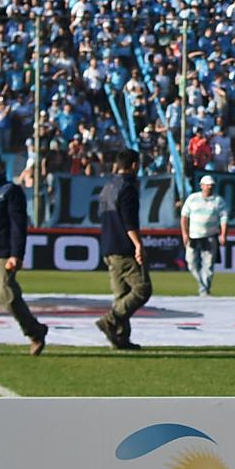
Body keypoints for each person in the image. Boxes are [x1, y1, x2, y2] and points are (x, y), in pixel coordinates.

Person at [0, 149, 48, 355]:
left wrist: (17, 254)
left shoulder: (9, 191)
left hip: (1, 253)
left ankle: (35, 332)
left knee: (6, 295)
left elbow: (18, 225)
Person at [96, 149, 151, 350]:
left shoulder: (107, 187)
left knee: (121, 293)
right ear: (134, 165)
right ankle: (111, 320)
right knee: (142, 289)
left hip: (108, 246)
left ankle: (120, 338)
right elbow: (130, 222)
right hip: (123, 246)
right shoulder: (127, 188)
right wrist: (138, 245)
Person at [180, 174, 229, 296]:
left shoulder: (218, 201)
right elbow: (184, 217)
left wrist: (223, 234)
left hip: (210, 236)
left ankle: (204, 289)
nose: (210, 188)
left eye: (212, 185)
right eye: (207, 185)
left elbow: (224, 219)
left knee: (209, 264)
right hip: (194, 236)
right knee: (191, 262)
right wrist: (185, 234)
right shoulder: (192, 199)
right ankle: (202, 284)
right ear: (201, 186)